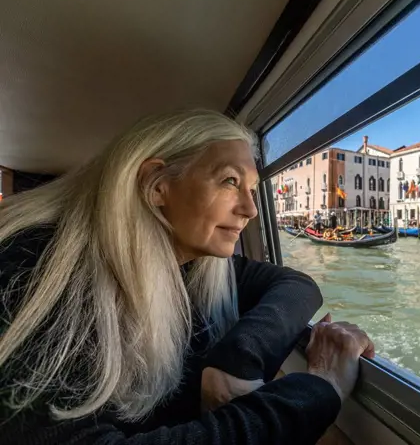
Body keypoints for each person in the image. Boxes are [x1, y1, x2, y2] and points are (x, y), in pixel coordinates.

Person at [0, 109, 374, 444]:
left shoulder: (192, 263)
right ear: (157, 185)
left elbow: (298, 286)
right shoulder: (36, 269)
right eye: (229, 181)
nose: (250, 210)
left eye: (253, 190)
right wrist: (320, 388)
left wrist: (237, 358)